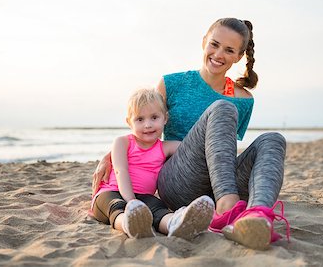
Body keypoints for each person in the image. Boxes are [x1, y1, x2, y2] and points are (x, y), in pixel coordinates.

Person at [93, 18, 290, 250]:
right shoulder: (172, 83)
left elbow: (223, 147)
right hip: (177, 180)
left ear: (238, 56)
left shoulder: (244, 99)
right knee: (223, 107)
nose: (218, 54)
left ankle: (256, 217)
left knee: (274, 139)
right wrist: (112, 154)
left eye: (229, 50)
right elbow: (145, 125)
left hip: (219, 180)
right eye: (214, 44)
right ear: (204, 42)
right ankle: (226, 207)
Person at [91, 88, 214, 240]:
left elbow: (192, 149)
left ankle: (175, 224)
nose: (148, 125)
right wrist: (131, 202)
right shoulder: (122, 142)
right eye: (140, 119)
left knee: (158, 208)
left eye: (154, 117)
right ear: (129, 122)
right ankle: (129, 224)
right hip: (111, 192)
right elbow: (120, 171)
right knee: (116, 207)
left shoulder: (165, 147)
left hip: (144, 196)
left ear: (165, 119)